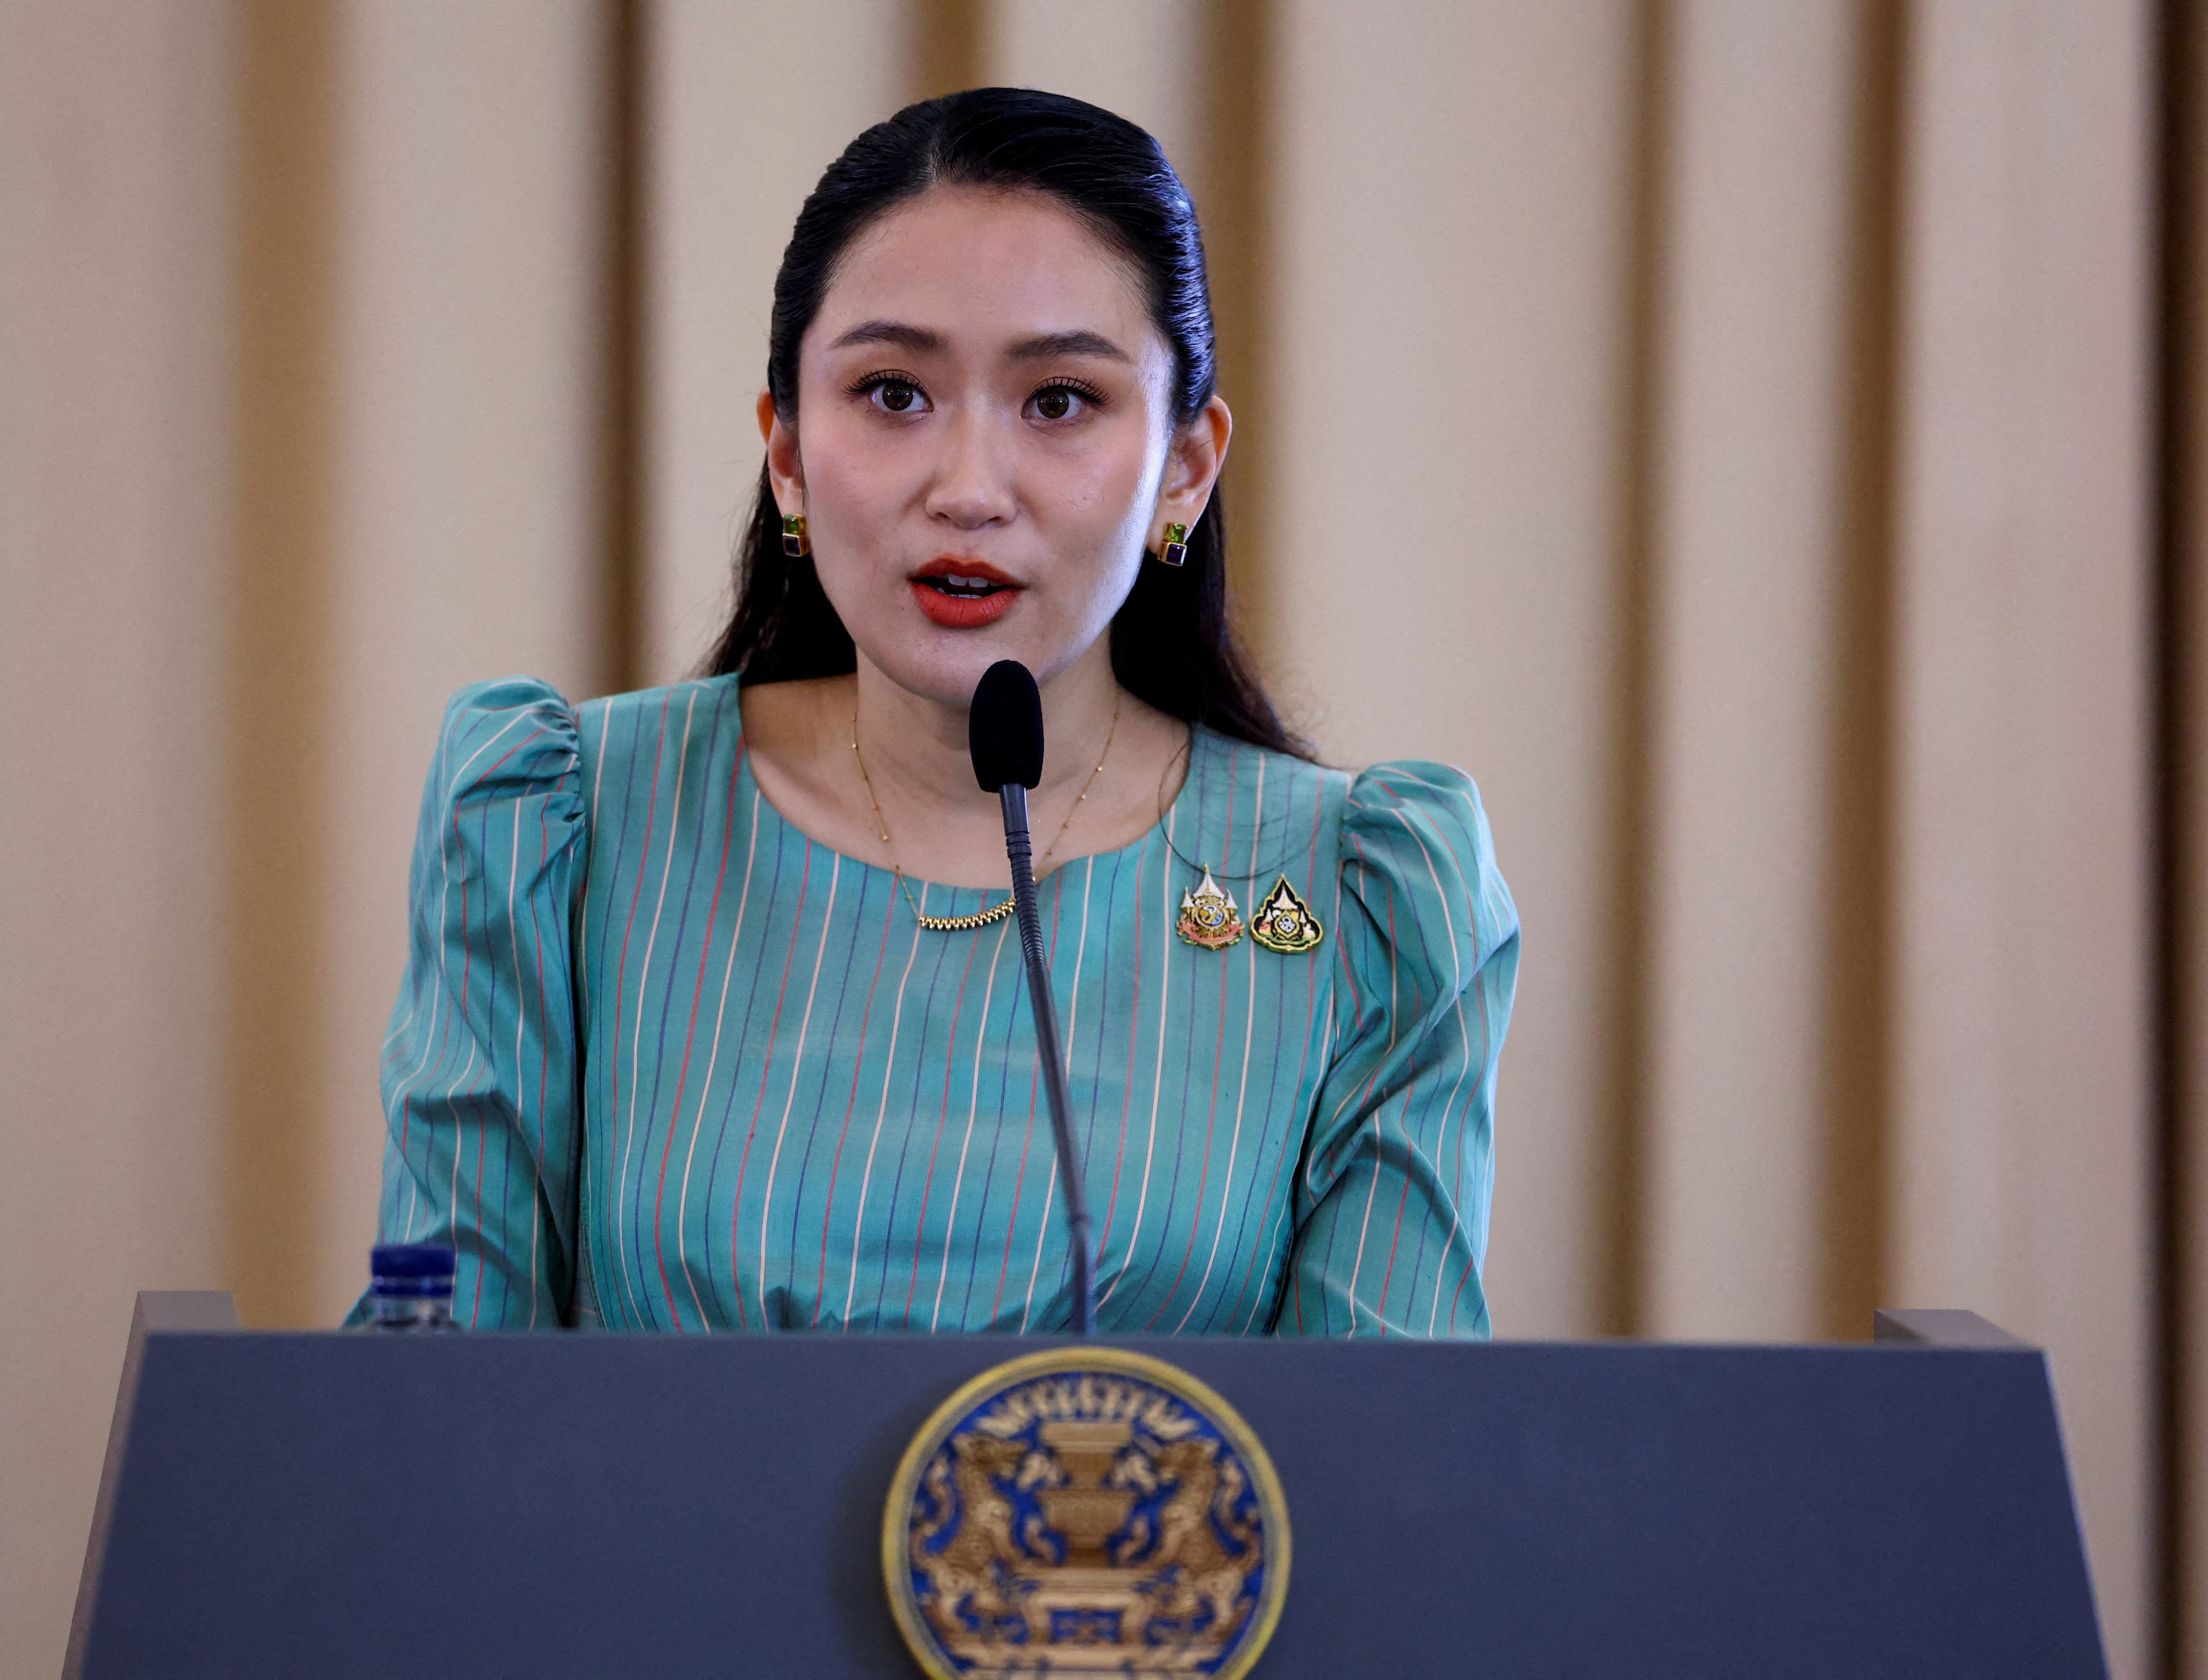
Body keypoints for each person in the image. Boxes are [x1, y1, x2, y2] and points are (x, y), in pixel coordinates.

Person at [360, 88, 1517, 1337]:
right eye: (893, 393)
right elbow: (431, 1393)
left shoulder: (1367, 895)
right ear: (787, 454)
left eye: (1059, 399)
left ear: (1184, 467)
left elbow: (1382, 1439)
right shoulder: (560, 823)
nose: (968, 490)